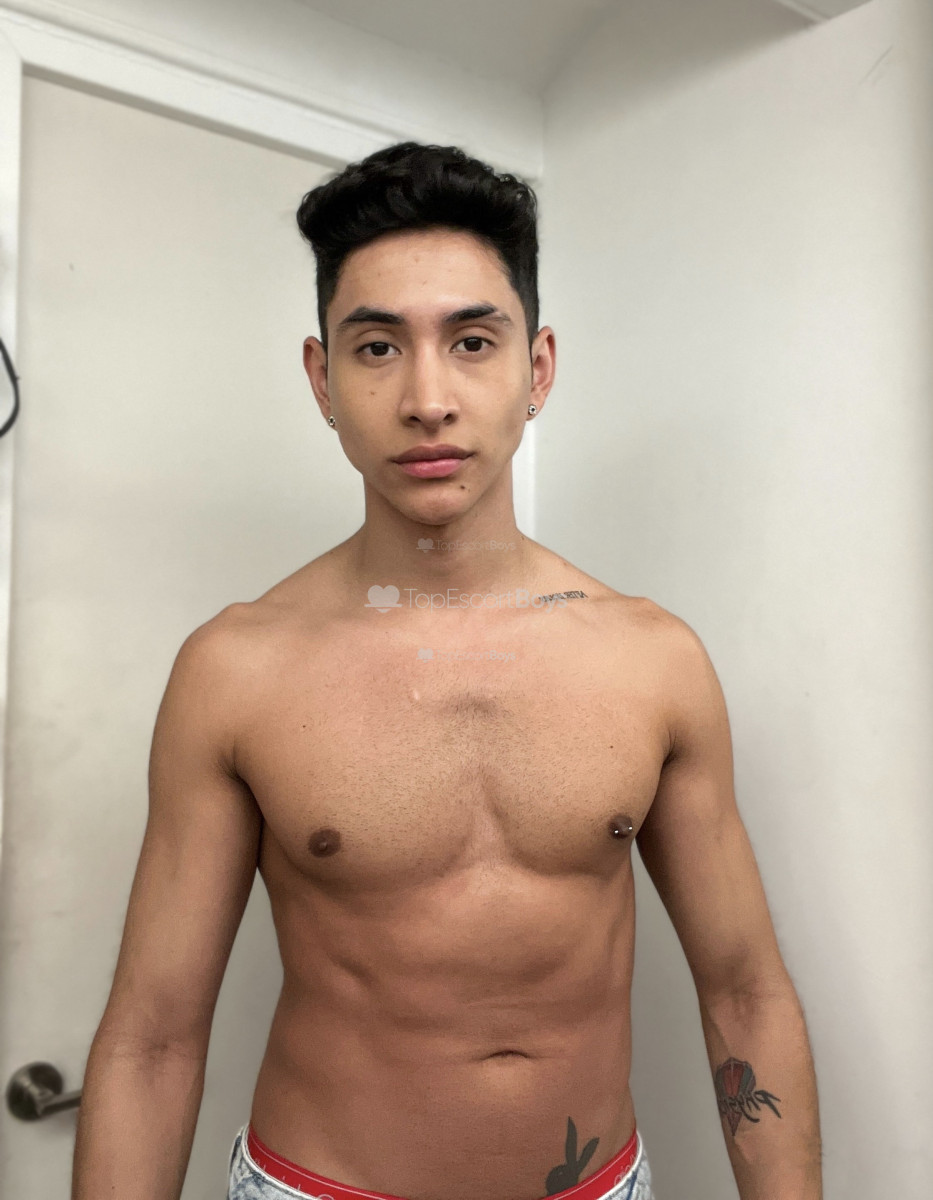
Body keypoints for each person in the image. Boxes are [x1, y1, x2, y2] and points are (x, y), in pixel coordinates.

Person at [72, 142, 822, 1200]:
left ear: (538, 368)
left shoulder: (654, 660)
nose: (428, 398)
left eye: (472, 341)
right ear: (322, 379)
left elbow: (746, 993)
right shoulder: (235, 672)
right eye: (377, 347)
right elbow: (150, 1038)